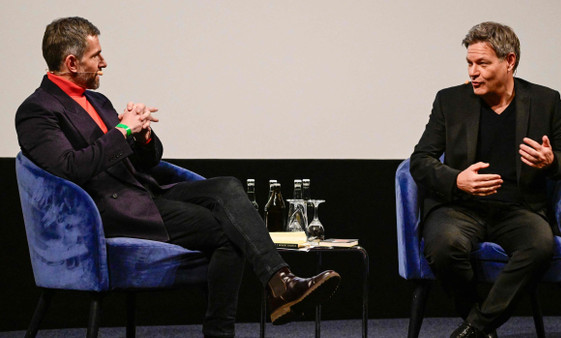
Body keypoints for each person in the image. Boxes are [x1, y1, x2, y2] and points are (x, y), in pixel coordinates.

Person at [15, 17, 340, 338]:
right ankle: (241, 317)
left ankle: (282, 283)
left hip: (143, 194)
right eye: (95, 55)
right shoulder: (38, 110)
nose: (104, 62)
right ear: (71, 62)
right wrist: (124, 129)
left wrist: (142, 137)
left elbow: (148, 160)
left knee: (227, 186)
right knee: (229, 231)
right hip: (105, 213)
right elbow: (70, 167)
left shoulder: (97, 100)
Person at [409, 22, 561, 338]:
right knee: (443, 245)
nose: (472, 72)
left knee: (540, 245)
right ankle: (480, 324)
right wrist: (457, 181)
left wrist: (552, 161)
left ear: (510, 62)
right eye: (469, 63)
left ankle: (475, 327)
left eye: (482, 63)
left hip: (519, 209)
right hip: (460, 207)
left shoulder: (545, 101)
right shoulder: (450, 101)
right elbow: (420, 161)